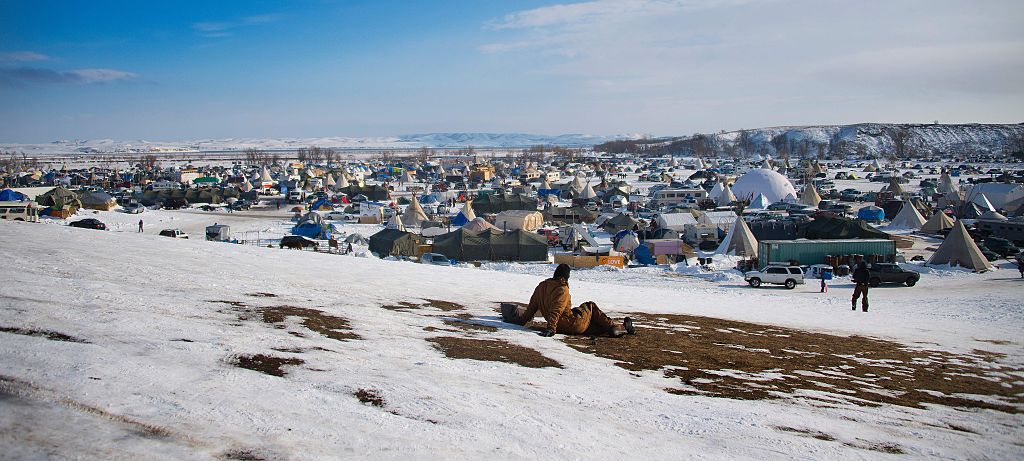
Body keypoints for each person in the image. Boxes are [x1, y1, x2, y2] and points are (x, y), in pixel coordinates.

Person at [521, 264, 635, 337]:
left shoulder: (541, 286)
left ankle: (622, 328)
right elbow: (556, 309)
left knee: (598, 327)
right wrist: (551, 329)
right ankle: (613, 326)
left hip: (562, 327)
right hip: (569, 324)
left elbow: (531, 308)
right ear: (565, 277)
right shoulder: (562, 289)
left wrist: (520, 320)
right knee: (590, 306)